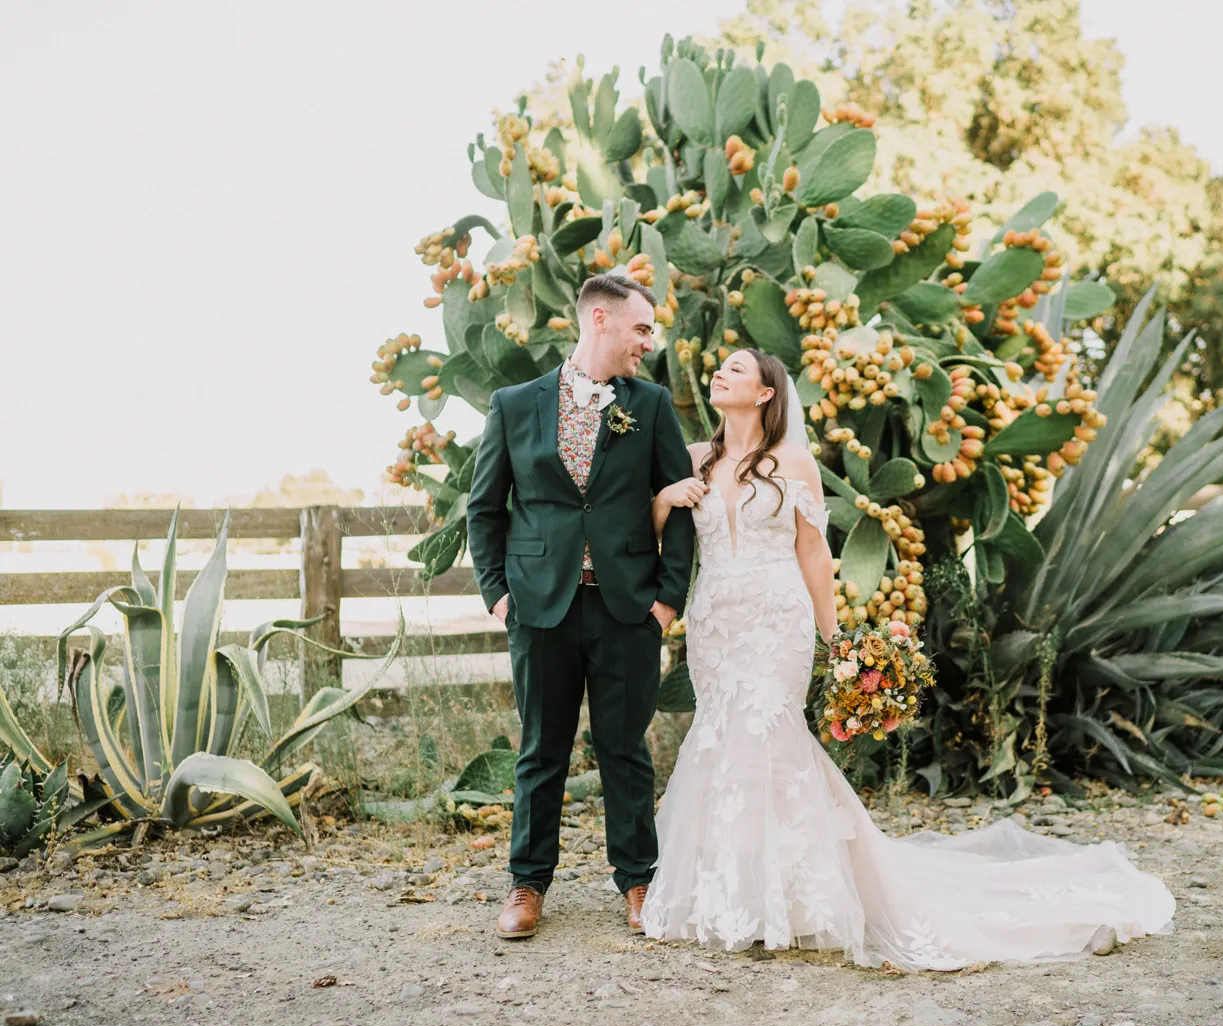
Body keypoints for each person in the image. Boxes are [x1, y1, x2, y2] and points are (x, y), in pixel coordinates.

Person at [640, 348, 1176, 970]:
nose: (720, 374)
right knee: (718, 735)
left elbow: (813, 553)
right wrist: (663, 500)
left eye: (736, 369)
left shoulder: (793, 461)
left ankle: (799, 896)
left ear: (764, 394)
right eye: (720, 369)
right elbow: (661, 530)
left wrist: (835, 638)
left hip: (775, 618)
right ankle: (732, 892)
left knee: (769, 735)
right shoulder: (694, 460)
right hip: (714, 620)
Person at [465, 274, 695, 940]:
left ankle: (639, 881)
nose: (648, 344)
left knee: (626, 750)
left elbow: (679, 502)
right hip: (538, 608)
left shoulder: (649, 406)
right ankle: (527, 883)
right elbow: (485, 508)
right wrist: (498, 595)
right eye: (642, 329)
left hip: (627, 608)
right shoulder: (514, 404)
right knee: (542, 749)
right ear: (600, 319)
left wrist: (667, 603)